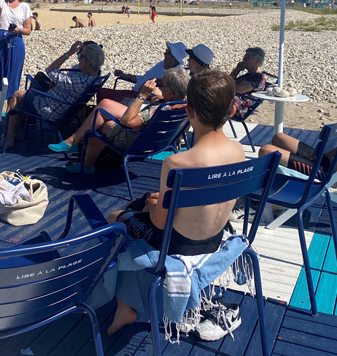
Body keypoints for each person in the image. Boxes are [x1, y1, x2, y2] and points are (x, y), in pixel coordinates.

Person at [105, 70, 245, 335]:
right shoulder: (238, 151)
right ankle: (131, 301)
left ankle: (124, 305)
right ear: (231, 111)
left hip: (176, 243)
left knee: (116, 218)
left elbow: (158, 223)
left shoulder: (178, 163)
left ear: (189, 112)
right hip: (213, 238)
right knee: (147, 205)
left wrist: (149, 207)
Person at [49, 67, 190, 173]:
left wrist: (142, 95)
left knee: (99, 122)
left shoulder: (158, 110)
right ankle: (79, 150)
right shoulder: (184, 105)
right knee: (104, 105)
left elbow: (127, 122)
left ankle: (78, 149)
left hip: (135, 143)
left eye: (161, 85)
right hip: (157, 142)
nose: (158, 87)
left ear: (171, 92)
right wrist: (162, 97)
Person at [4, 41, 104, 149]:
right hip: (63, 108)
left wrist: (68, 53)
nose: (78, 58)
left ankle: (8, 138)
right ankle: (13, 133)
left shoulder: (78, 81)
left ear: (89, 62)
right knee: (26, 96)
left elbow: (50, 70)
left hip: (51, 108)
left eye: (80, 56)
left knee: (17, 95)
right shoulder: (96, 77)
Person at [98, 41, 187, 103]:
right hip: (135, 92)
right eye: (166, 51)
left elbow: (169, 96)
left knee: (108, 100)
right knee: (101, 92)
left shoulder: (174, 74)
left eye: (168, 53)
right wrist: (126, 76)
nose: (165, 54)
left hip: (143, 97)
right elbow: (145, 78)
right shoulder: (162, 64)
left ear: (175, 58)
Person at [230, 47, 267, 118]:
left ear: (257, 61)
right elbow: (228, 83)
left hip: (236, 108)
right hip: (231, 103)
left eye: (247, 57)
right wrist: (236, 70)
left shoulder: (257, 78)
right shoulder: (250, 75)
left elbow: (235, 89)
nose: (243, 59)